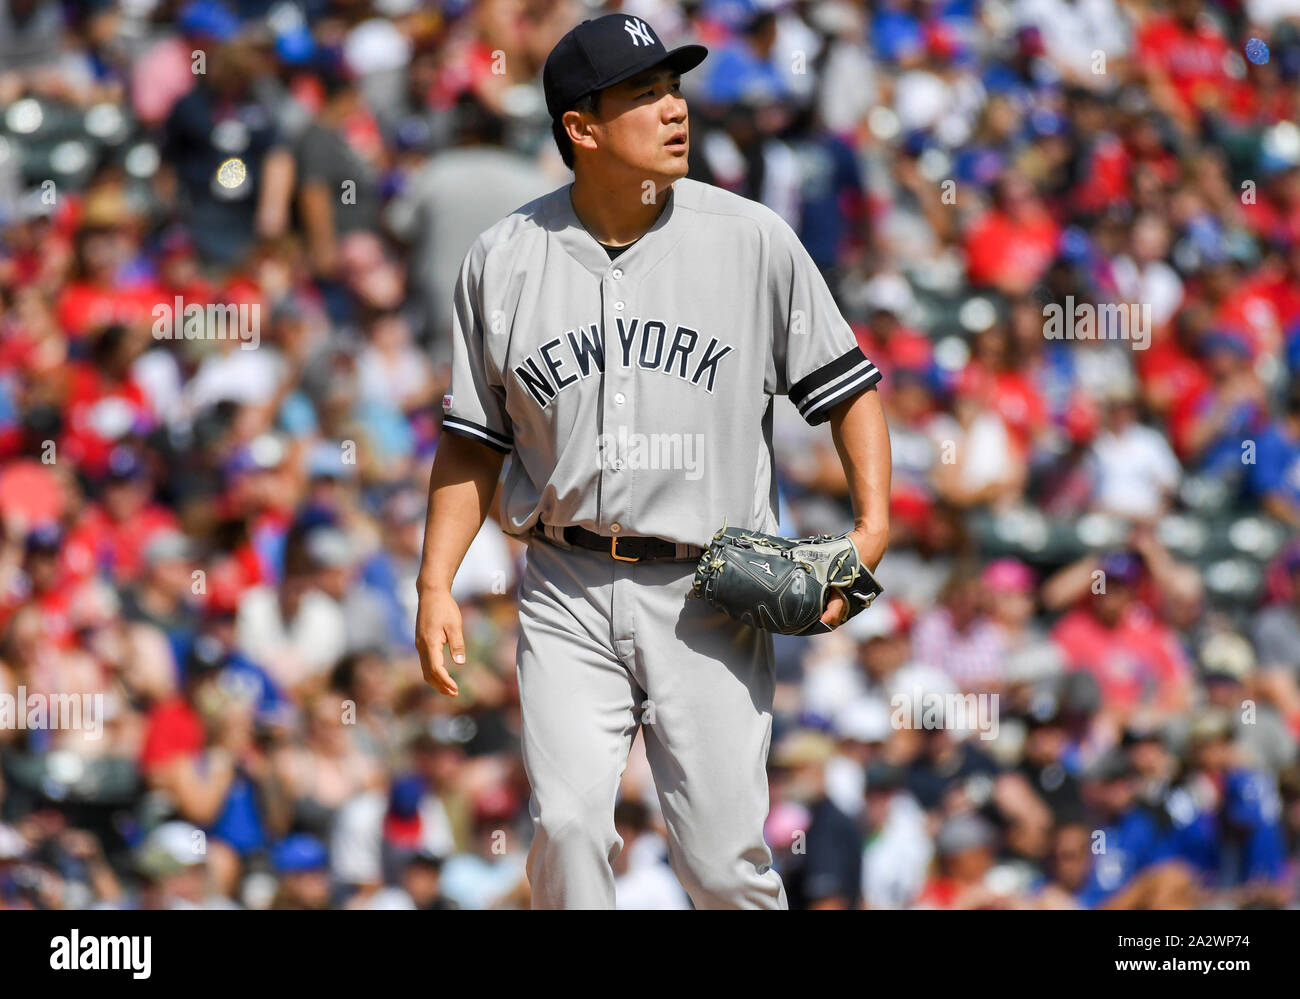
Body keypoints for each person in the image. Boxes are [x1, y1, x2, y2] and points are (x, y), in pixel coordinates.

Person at [414, 13, 890, 910]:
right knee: (567, 828)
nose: (675, 110)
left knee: (721, 866)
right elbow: (474, 438)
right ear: (581, 128)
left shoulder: (752, 239)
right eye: (644, 94)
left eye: (674, 89)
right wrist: (436, 581)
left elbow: (848, 391)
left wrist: (872, 527)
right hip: (566, 581)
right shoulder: (503, 258)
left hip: (711, 590)